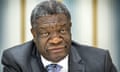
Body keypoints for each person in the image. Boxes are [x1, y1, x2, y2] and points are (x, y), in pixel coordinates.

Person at [1, 0, 117, 72]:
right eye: (45, 33)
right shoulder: (16, 60)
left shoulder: (100, 61)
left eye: (62, 31)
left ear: (70, 28)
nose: (56, 40)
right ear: (34, 35)